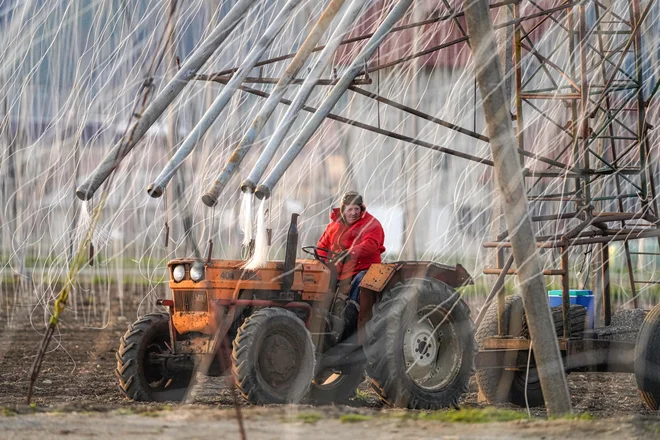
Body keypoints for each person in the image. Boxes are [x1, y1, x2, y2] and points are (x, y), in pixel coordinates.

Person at [316, 190, 385, 338]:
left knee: (362, 281)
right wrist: (322, 262)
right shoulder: (333, 227)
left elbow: (371, 244)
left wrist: (350, 252)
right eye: (350, 209)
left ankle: (350, 317)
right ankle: (319, 315)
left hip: (364, 268)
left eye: (356, 209)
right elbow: (321, 248)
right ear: (343, 210)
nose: (353, 213)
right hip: (339, 270)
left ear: (361, 209)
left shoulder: (371, 224)